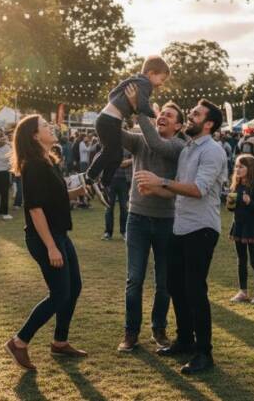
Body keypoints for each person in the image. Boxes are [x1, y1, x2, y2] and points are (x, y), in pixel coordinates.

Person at [134, 99, 227, 375]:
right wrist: (155, 188)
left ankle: (204, 353)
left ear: (208, 124)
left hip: (202, 228)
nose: (191, 116)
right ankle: (185, 340)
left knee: (195, 290)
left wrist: (160, 181)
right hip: (181, 226)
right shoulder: (187, 149)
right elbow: (178, 189)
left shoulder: (213, 151)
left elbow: (197, 189)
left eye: (196, 114)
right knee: (175, 285)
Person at [4, 115, 88, 371]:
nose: (51, 128)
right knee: (60, 293)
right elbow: (36, 209)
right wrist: (51, 246)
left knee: (73, 288)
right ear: (34, 135)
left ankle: (60, 342)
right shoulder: (33, 166)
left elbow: (55, 197)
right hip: (45, 238)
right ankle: (19, 341)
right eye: (45, 126)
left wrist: (77, 193)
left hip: (60, 234)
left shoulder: (48, 161)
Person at [116, 99, 186, 352]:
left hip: (167, 221)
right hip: (137, 219)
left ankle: (159, 328)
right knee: (134, 279)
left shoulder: (179, 146)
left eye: (169, 115)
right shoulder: (139, 139)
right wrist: (120, 104)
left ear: (179, 125)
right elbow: (111, 131)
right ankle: (131, 333)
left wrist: (142, 111)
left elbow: (158, 144)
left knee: (164, 282)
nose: (163, 116)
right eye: (161, 113)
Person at [83, 56, 170, 207]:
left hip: (108, 119)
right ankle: (90, 177)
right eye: (161, 79)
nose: (161, 84)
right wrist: (155, 114)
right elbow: (141, 105)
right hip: (109, 120)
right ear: (151, 73)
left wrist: (127, 116)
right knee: (111, 152)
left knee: (115, 155)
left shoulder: (134, 80)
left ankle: (103, 182)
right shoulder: (145, 84)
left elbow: (112, 95)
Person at [227, 154, 254, 305]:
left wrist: (250, 202)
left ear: (249, 168)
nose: (237, 169)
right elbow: (231, 209)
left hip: (252, 228)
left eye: (241, 166)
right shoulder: (236, 185)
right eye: (236, 166)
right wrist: (230, 203)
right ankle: (242, 291)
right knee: (241, 260)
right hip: (238, 226)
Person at [103, 150, 132, 240]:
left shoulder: (129, 147)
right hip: (110, 180)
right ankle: (108, 232)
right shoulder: (110, 146)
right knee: (109, 207)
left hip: (124, 180)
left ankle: (124, 232)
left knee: (124, 208)